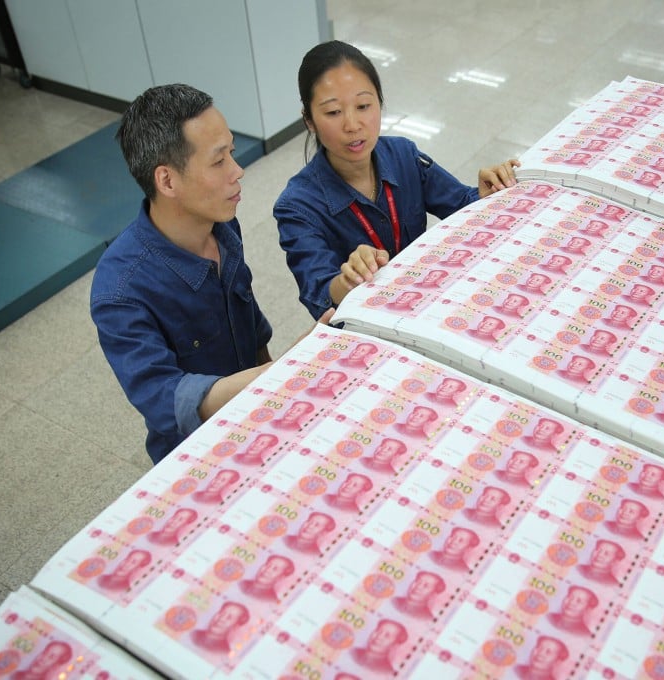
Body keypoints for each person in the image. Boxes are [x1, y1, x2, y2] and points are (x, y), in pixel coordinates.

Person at [90, 84, 299, 465]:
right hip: (197, 456)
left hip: (258, 414)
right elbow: (165, 400)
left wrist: (277, 394)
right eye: (219, 162)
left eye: (232, 153)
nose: (238, 172)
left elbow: (249, 323)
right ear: (167, 181)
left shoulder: (221, 227)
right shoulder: (120, 291)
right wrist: (281, 375)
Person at [275, 41, 519, 319]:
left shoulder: (404, 155)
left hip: (430, 302)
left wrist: (486, 193)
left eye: (364, 105)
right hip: (368, 327)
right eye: (333, 112)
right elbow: (318, 291)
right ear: (309, 120)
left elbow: (462, 203)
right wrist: (347, 279)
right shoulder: (297, 206)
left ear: (379, 102)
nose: (352, 125)